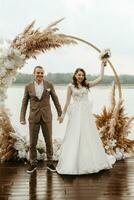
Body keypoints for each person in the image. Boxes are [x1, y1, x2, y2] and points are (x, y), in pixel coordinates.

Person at [56, 60, 115, 175]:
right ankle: (73, 162)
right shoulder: (70, 87)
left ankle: (91, 160)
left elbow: (100, 79)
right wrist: (62, 115)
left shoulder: (86, 85)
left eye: (82, 75)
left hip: (86, 115)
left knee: (88, 134)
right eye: (79, 74)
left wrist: (102, 65)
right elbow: (67, 102)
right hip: (76, 114)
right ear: (75, 75)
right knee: (75, 135)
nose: (81, 76)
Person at [20, 66, 62, 173]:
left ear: (44, 74)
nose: (40, 75)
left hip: (46, 117)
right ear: (34, 73)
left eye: (42, 73)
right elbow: (24, 102)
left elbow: (55, 99)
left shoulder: (49, 85)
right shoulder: (28, 86)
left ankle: (50, 163)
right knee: (32, 142)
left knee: (48, 140)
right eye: (38, 73)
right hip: (33, 117)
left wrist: (60, 113)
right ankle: (33, 163)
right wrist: (22, 117)